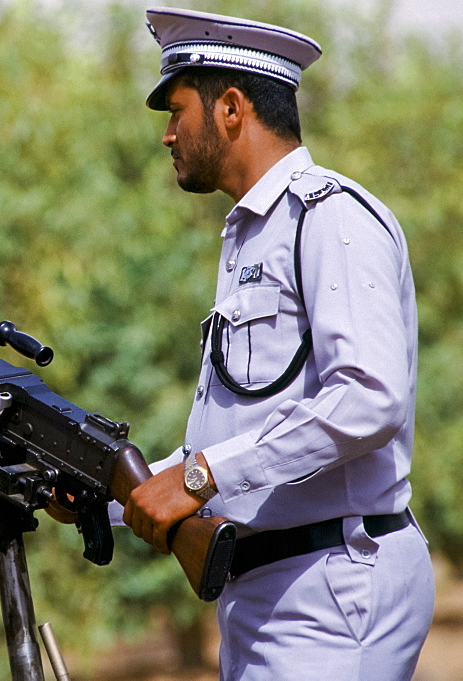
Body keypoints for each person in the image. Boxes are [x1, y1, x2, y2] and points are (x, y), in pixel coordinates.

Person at [121, 8, 434, 680]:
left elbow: (369, 398)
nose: (168, 134)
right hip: (271, 590)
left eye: (176, 112)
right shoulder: (251, 236)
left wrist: (199, 475)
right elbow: (240, 429)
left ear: (230, 108)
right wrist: (117, 493)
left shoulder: (330, 220)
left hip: (332, 587)